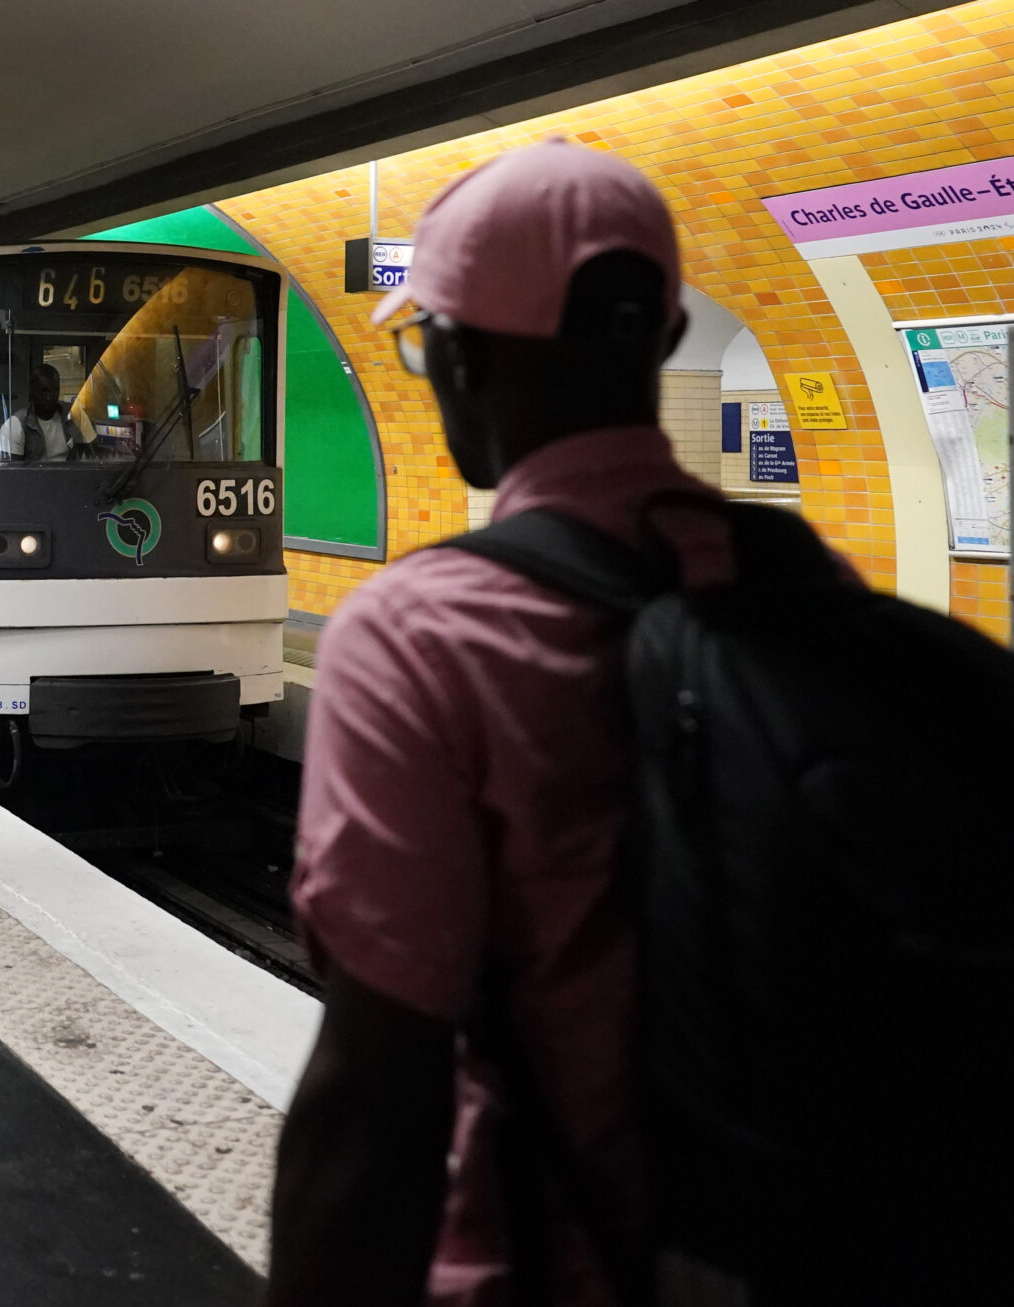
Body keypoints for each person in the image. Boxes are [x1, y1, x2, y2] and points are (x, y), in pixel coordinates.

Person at [266, 141, 714, 1307]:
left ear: (455, 358)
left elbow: (377, 1090)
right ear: (661, 342)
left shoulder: (420, 638)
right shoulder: (808, 594)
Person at [0, 362, 97, 461]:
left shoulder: (75, 415)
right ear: (32, 391)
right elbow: (11, 472)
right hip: (35, 476)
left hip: (71, 474)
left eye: (54, 390)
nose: (49, 397)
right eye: (44, 391)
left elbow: (93, 455)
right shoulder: (16, 425)